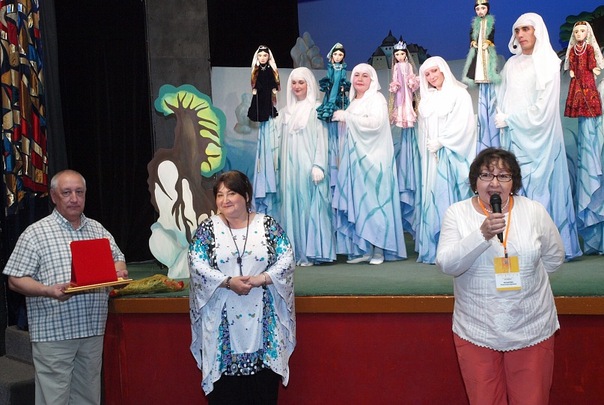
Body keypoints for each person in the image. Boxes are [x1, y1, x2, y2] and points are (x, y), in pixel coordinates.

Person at [436, 148, 564, 405]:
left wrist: (525, 284)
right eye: (486, 175)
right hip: (477, 328)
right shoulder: (457, 213)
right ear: (475, 181)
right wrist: (481, 235)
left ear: (513, 182)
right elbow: (447, 264)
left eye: (503, 176)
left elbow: (554, 256)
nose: (494, 183)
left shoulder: (534, 211)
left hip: (531, 326)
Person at [2, 169, 128, 405]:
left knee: (88, 398)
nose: (74, 198)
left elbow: (118, 259)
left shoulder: (98, 230)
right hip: (54, 333)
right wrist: (48, 291)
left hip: (92, 330)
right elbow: (15, 280)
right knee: (54, 400)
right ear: (53, 196)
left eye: (79, 192)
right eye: (67, 192)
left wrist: (118, 271)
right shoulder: (35, 233)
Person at [188, 170, 295, 403]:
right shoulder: (208, 229)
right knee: (225, 394)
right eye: (220, 195)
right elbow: (196, 264)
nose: (225, 200)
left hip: (264, 323)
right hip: (221, 323)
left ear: (246, 196)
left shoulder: (267, 225)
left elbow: (286, 258)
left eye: (231, 193)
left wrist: (262, 278)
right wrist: (227, 282)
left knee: (263, 391)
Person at [495, 12, 582, 260]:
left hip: (543, 142)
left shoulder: (548, 62)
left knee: (545, 191)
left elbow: (544, 108)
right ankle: (521, 247)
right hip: (515, 141)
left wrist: (511, 119)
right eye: (517, 30)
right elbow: (502, 98)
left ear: (537, 31)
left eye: (526, 29)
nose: (520, 35)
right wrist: (503, 118)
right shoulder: (511, 65)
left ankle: (551, 247)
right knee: (518, 191)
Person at [331, 63, 407, 264]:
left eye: (365, 75)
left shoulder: (377, 98)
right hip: (356, 161)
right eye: (356, 75)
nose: (360, 79)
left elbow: (376, 123)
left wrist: (348, 116)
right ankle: (365, 248)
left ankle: (380, 249)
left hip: (375, 161)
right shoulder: (354, 102)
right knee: (361, 203)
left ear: (372, 80)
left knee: (376, 203)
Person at [416, 56, 476, 264]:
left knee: (450, 198)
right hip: (431, 159)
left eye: (434, 71)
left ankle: (459, 249)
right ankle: (436, 249)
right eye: (427, 74)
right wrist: (428, 148)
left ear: (443, 70)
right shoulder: (427, 100)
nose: (432, 76)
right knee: (433, 196)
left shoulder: (459, 94)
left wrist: (442, 142)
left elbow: (464, 125)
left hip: (451, 156)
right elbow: (423, 130)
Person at [277, 67, 335, 266]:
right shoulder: (286, 112)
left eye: (301, 82)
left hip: (310, 165)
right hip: (290, 169)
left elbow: (322, 138)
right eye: (293, 83)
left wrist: (319, 165)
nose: (297, 86)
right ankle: (296, 251)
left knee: (310, 205)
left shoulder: (316, 108)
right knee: (293, 205)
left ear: (309, 84)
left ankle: (314, 252)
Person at [563, 21, 604, 254]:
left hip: (587, 81)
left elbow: (591, 62)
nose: (579, 34)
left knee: (588, 97)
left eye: (582, 31)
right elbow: (572, 61)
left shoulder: (588, 49)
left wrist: (594, 69)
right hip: (577, 81)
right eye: (576, 31)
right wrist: (572, 70)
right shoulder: (574, 50)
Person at [389, 40, 421, 238]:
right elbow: (394, 81)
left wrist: (411, 83)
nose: (400, 57)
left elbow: (412, 80)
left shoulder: (408, 66)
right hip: (400, 95)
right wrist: (395, 85)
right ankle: (402, 115)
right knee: (400, 104)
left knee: (407, 103)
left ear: (406, 55)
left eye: (402, 54)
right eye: (397, 55)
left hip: (408, 95)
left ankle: (408, 115)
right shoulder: (395, 68)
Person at [461, 0, 501, 152]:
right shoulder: (475, 23)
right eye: (477, 9)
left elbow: (491, 33)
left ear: (487, 9)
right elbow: (471, 34)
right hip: (478, 49)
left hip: (486, 48)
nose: (480, 11)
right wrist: (473, 42)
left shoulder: (490, 21)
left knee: (488, 64)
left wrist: (489, 42)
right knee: (476, 64)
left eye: (482, 8)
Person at [247, 45, 281, 217]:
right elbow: (254, 80)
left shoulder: (271, 70)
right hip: (260, 94)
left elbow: (274, 82)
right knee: (259, 105)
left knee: (268, 105)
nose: (262, 58)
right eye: (260, 55)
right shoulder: (257, 70)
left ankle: (269, 111)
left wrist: (274, 88)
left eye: (264, 56)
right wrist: (255, 89)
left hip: (268, 94)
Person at [316, 43, 350, 198]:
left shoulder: (343, 68)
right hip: (331, 91)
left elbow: (342, 79)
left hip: (339, 92)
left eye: (340, 55)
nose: (337, 57)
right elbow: (330, 77)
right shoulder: (331, 67)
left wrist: (342, 85)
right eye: (335, 54)